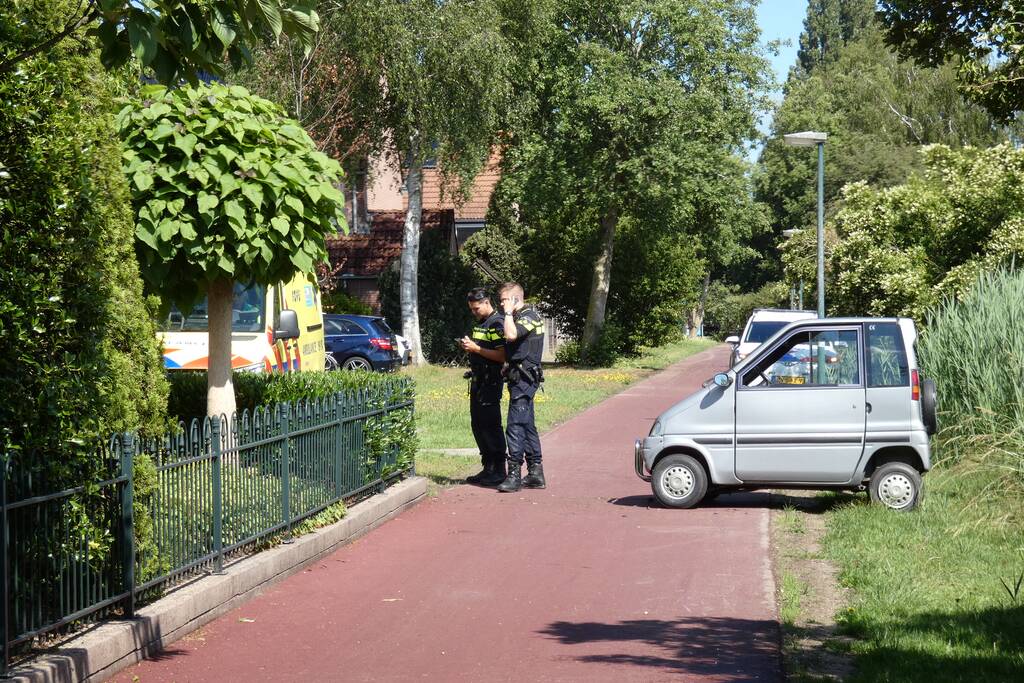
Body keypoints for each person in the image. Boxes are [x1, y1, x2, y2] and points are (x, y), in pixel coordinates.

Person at [496, 282, 546, 492]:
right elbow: (517, 347)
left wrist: (508, 314)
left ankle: (514, 473)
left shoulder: (528, 316)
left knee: (515, 425)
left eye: (504, 299)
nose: (501, 304)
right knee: (527, 425)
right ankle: (535, 472)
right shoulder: (521, 317)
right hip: (519, 377)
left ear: (515, 299)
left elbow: (511, 336)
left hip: (525, 380)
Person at [458, 288, 508, 486]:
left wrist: (476, 348)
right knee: (478, 425)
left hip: (491, 381)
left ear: (487, 302)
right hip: (478, 380)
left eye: (476, 308)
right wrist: (469, 346)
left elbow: (502, 355)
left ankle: (499, 470)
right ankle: (487, 467)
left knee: (491, 425)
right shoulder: (482, 323)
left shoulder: (497, 323)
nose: (474, 312)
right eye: (471, 309)